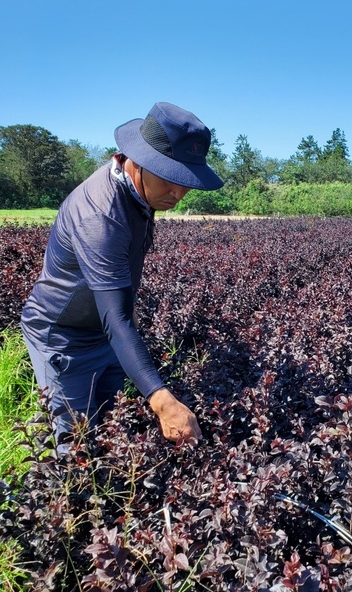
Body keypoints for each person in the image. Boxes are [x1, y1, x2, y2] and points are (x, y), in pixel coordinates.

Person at [21, 102, 224, 448]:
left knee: (110, 429)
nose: (179, 193)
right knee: (76, 446)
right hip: (62, 336)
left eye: (186, 182)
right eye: (171, 178)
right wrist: (162, 400)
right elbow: (116, 318)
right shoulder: (99, 216)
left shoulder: (142, 194)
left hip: (104, 332)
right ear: (138, 161)